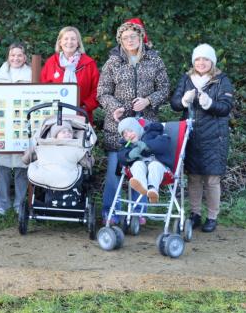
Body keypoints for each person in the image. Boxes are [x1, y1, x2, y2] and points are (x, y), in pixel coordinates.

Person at [97, 19, 169, 222]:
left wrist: (148, 100)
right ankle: (110, 212)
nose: (129, 40)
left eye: (133, 36)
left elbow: (164, 89)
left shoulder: (155, 60)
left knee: (143, 168)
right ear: (120, 40)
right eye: (125, 37)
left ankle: (139, 211)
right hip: (118, 128)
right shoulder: (113, 62)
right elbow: (102, 92)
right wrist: (114, 107)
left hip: (146, 127)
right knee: (115, 172)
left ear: (141, 38)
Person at [170, 43, 235, 233]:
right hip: (190, 136)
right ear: (193, 61)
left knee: (212, 179)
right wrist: (183, 101)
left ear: (212, 61)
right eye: (198, 59)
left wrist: (209, 103)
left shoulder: (221, 80)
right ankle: (195, 214)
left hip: (215, 137)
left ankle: (212, 217)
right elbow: (174, 103)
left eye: (206, 59)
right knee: (194, 177)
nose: (201, 62)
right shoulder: (186, 79)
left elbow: (225, 107)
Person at [0, 42, 32, 215]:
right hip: (4, 127)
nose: (16, 58)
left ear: (25, 57)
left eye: (19, 55)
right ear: (8, 56)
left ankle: (19, 205)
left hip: (23, 125)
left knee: (22, 170)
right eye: (12, 55)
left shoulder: (32, 75)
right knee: (3, 170)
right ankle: (2, 205)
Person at [40, 26, 100, 121]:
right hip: (55, 115)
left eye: (73, 39)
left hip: (81, 115)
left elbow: (97, 90)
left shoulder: (89, 64)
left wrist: (85, 107)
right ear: (60, 42)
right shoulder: (51, 62)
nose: (69, 42)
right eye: (66, 39)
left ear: (78, 43)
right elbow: (43, 88)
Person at [116, 117, 174, 205]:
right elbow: (121, 157)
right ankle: (142, 185)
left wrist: (147, 146)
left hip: (160, 166)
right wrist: (129, 155)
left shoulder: (152, 134)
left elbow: (163, 144)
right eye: (125, 135)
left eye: (130, 131)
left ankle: (153, 190)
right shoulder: (127, 146)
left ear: (136, 128)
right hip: (141, 170)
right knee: (137, 164)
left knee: (154, 165)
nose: (129, 135)